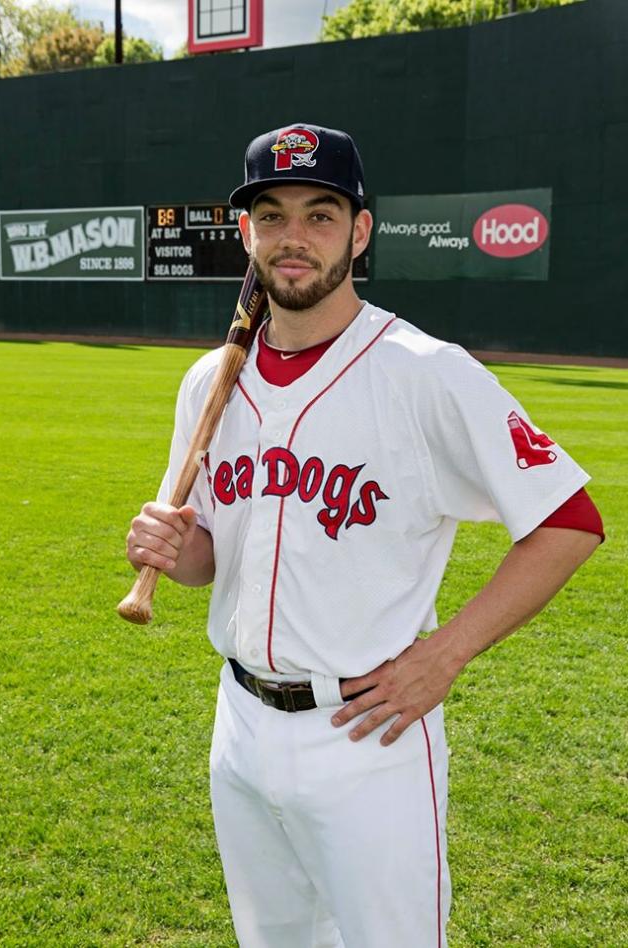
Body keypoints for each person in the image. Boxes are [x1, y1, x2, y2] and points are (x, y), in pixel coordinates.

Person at [126, 123, 603, 948]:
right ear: (246, 234)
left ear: (361, 230)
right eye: (271, 216)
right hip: (239, 724)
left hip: (368, 736)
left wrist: (443, 655)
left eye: (320, 214)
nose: (295, 237)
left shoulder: (425, 371)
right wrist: (177, 549)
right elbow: (209, 559)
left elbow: (569, 521)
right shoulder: (212, 378)